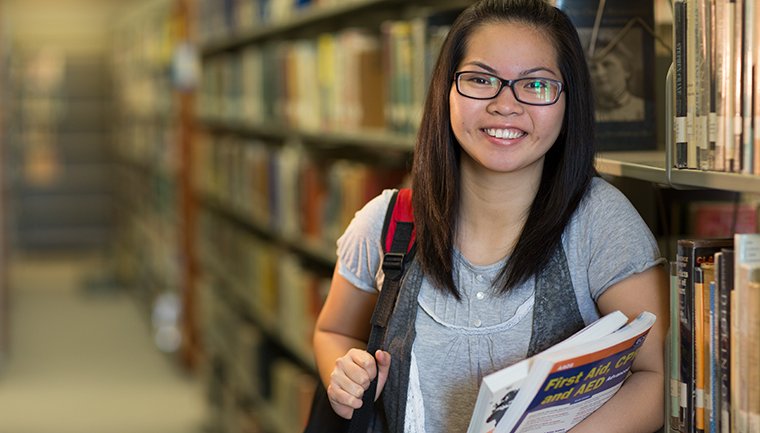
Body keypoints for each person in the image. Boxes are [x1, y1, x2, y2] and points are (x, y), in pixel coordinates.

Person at [313, 0, 669, 432]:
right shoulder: (388, 222)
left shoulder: (601, 223)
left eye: (536, 85)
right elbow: (334, 331)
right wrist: (344, 373)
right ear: (446, 90)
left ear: (568, 100)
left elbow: (657, 377)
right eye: (481, 80)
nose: (505, 104)